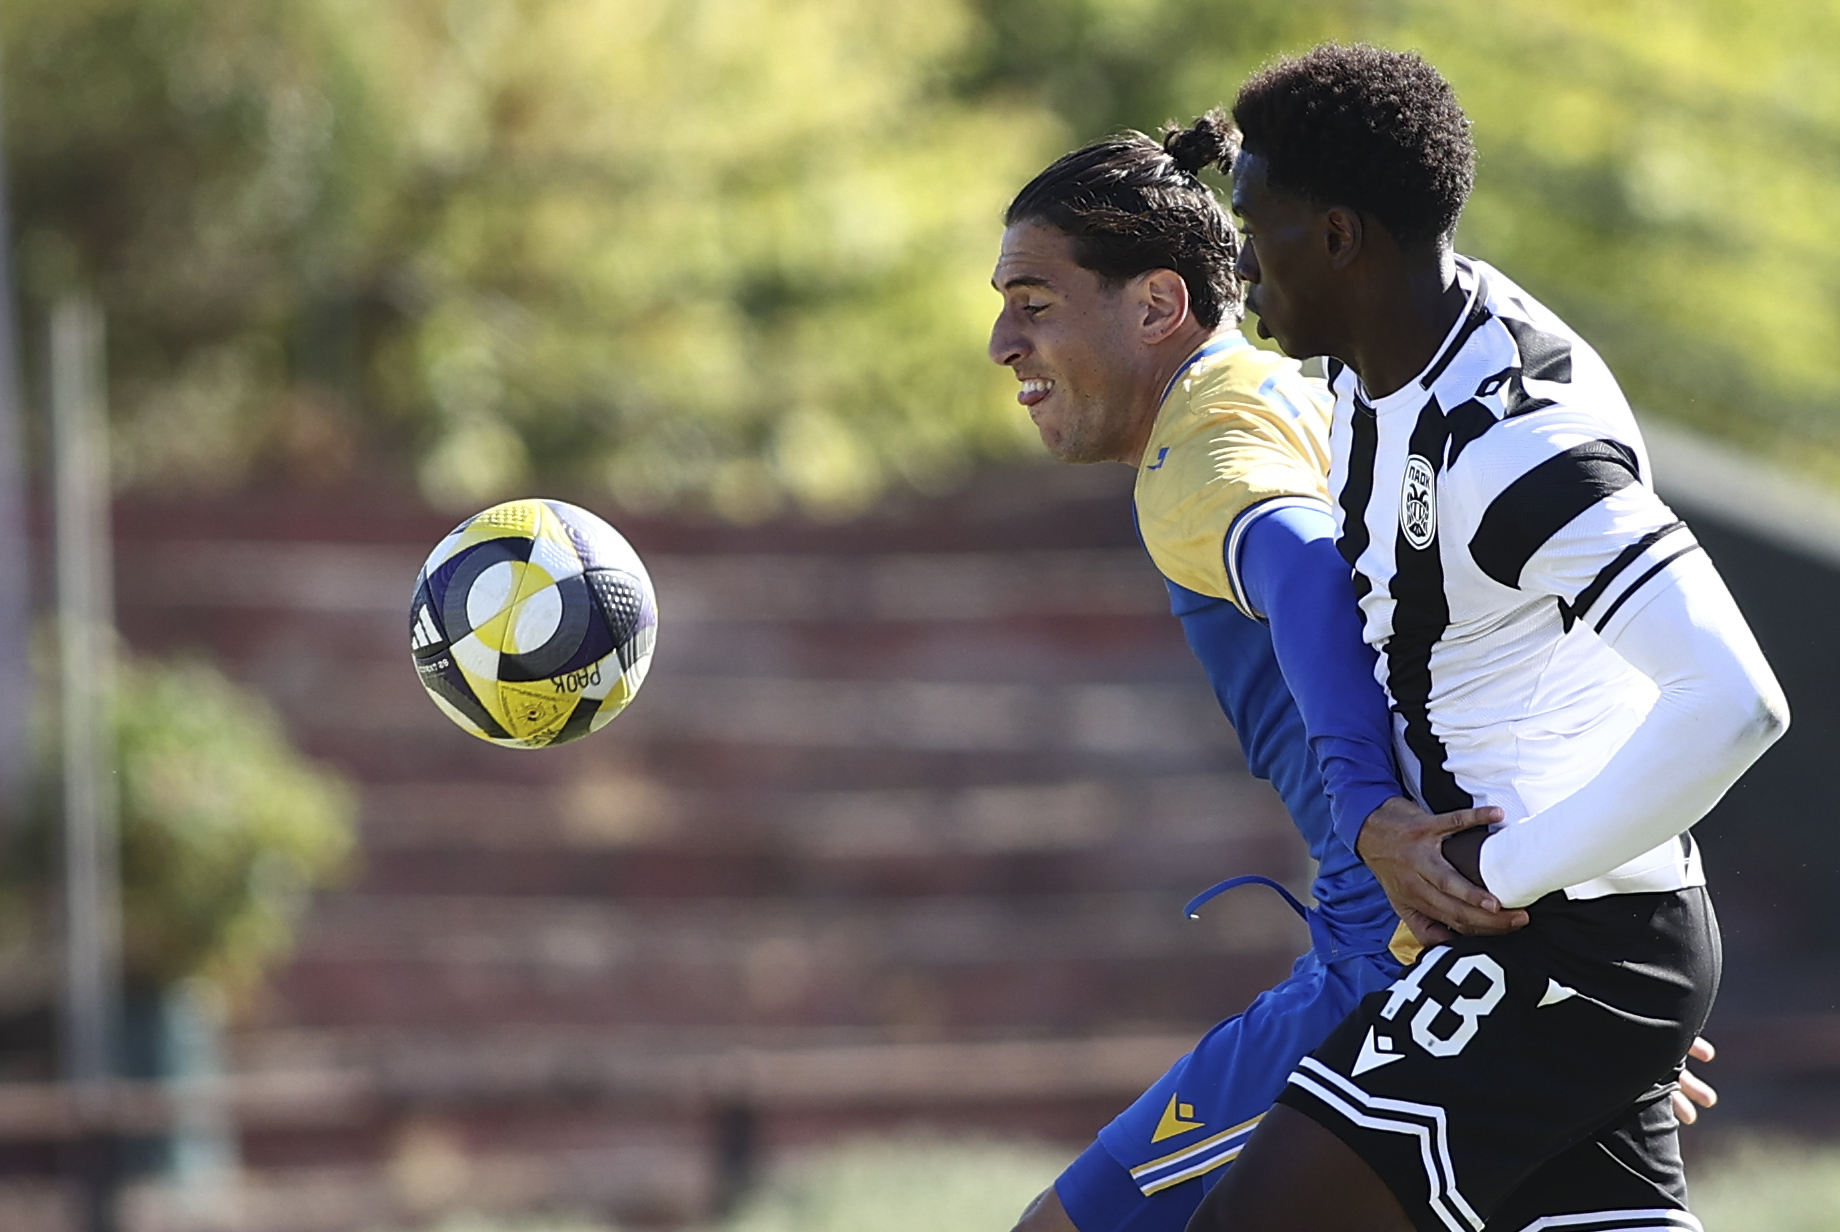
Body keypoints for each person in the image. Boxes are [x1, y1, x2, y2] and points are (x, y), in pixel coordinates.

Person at [986, 119, 1718, 1232]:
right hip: (1510, 925)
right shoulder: (1312, 397)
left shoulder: (1196, 457)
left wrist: (1372, 812)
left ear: (1157, 305)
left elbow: (1309, 575)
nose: (1004, 341)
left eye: (1034, 303)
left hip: (1393, 949)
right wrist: (1582, 981)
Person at [1189, 44, 1787, 1232]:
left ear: (1339, 237)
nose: (1240, 263)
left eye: (1254, 228)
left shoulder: (1509, 442)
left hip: (1559, 935)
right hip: (1573, 940)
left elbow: (1735, 700)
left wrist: (1500, 879)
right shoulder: (1385, 349)